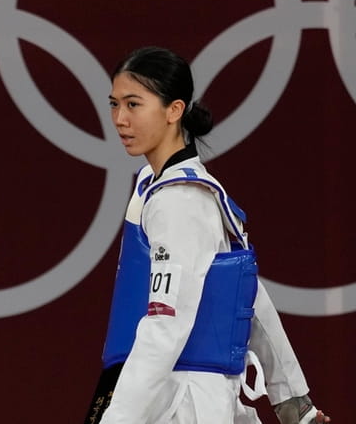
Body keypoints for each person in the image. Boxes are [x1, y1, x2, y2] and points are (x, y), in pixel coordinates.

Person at [83, 46, 331, 424]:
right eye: (114, 104)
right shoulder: (157, 185)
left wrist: (116, 421)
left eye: (134, 105)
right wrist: (292, 400)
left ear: (174, 110)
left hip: (181, 402)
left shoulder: (180, 202)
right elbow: (247, 292)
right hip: (161, 391)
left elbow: (167, 324)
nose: (119, 118)